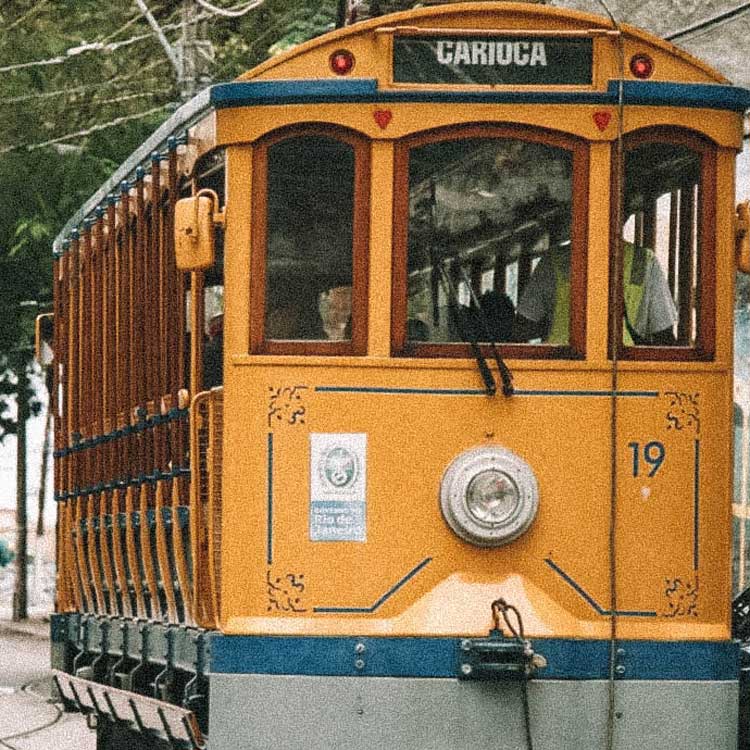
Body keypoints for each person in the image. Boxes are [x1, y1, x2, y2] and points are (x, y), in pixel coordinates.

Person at [514, 220, 677, 346]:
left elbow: (523, 327)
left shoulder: (554, 260)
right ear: (624, 216)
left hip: (563, 367)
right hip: (626, 370)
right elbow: (664, 336)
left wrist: (550, 325)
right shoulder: (643, 261)